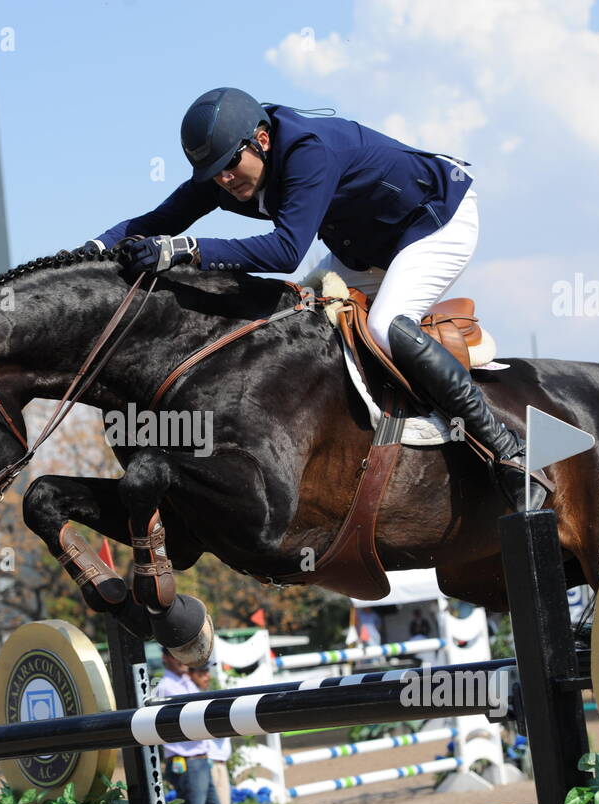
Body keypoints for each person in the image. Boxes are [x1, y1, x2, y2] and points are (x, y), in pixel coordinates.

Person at [83, 87, 543, 511]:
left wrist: (191, 251)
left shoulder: (308, 151)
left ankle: (506, 450)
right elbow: (162, 218)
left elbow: (286, 252)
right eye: (212, 173)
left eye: (228, 165)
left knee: (385, 327)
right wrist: (94, 250)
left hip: (435, 221)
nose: (223, 180)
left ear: (261, 139)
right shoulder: (230, 167)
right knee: (299, 320)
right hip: (365, 248)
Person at [155, 648, 225, 804]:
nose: (181, 659)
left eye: (182, 654)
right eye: (175, 655)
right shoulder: (165, 687)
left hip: (198, 759)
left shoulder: (186, 682)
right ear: (165, 658)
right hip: (187, 761)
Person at [187, 663, 230, 804]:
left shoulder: (207, 695)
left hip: (219, 762)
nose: (207, 675)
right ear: (190, 674)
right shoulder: (192, 697)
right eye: (202, 672)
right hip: (208, 762)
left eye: (206, 672)